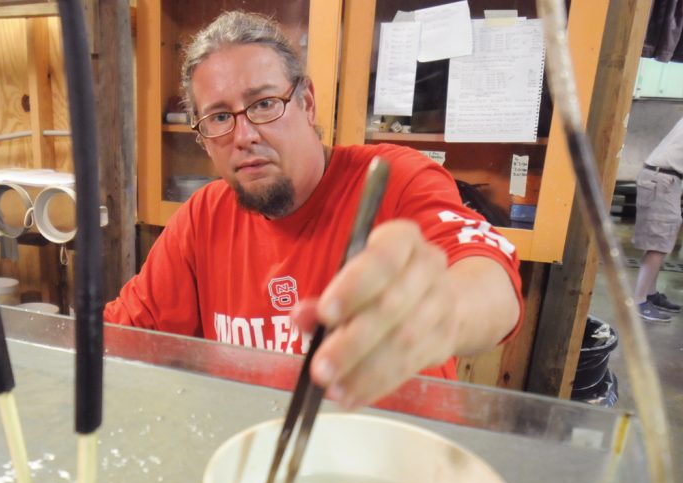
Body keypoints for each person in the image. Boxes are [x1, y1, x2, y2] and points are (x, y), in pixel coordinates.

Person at [104, 11, 523, 410]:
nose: (244, 135)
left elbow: (488, 276)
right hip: (263, 461)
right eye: (218, 117)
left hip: (397, 462)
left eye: (264, 103)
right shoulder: (203, 218)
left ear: (307, 103)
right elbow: (121, 336)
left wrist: (442, 311)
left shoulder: (392, 180)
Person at [632, 117, 683, 322]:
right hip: (662, 180)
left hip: (665, 180)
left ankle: (650, 294)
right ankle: (639, 301)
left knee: (660, 241)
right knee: (658, 244)